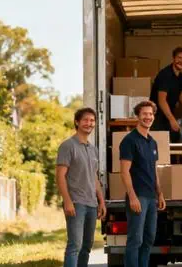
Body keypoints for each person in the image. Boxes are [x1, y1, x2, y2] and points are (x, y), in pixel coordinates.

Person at [119, 100, 167, 267]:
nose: (148, 117)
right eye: (145, 114)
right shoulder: (129, 140)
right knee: (135, 240)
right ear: (138, 116)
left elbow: (154, 170)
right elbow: (124, 171)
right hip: (138, 197)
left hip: (151, 198)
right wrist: (132, 197)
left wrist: (160, 194)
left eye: (151, 114)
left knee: (148, 239)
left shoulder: (152, 142)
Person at [56, 107, 107, 267]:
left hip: (91, 204)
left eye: (92, 120)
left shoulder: (93, 149)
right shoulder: (67, 146)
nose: (89, 123)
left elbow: (94, 177)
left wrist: (101, 201)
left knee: (86, 247)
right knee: (74, 246)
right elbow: (60, 176)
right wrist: (67, 201)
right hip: (76, 203)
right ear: (77, 122)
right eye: (85, 120)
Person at [150, 47, 182, 143]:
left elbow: (180, 93)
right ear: (173, 58)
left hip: (168, 114)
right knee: (161, 145)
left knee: (176, 140)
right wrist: (172, 119)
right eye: (179, 58)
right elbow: (162, 101)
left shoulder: (180, 77)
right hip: (157, 116)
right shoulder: (165, 75)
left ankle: (177, 158)